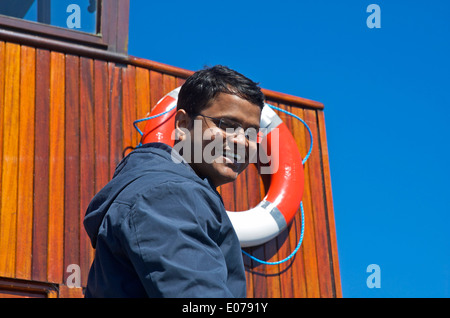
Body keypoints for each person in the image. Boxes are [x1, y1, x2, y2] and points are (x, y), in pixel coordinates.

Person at [83, 65, 265, 297]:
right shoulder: (166, 196)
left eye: (252, 133)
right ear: (182, 125)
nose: (243, 142)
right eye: (227, 125)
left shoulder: (167, 191)